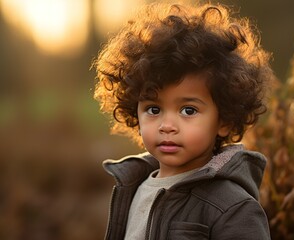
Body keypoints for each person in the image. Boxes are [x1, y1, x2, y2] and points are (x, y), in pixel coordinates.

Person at [93, 2, 274, 239]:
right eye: (153, 109)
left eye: (188, 110)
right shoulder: (132, 187)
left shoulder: (233, 207)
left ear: (224, 121)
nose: (167, 125)